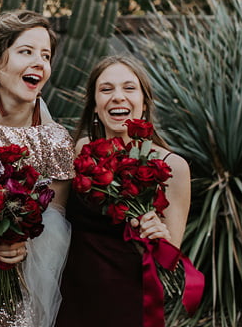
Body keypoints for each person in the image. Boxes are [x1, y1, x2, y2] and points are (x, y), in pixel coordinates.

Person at [0, 10, 75, 327]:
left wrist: (22, 240)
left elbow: (56, 223)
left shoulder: (56, 140)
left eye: (45, 56)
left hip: (18, 289)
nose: (39, 63)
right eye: (26, 51)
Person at [55, 55, 191, 327]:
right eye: (106, 89)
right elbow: (55, 221)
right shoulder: (78, 152)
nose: (118, 96)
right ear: (95, 106)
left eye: (129, 88)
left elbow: (169, 261)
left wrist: (157, 236)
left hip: (128, 302)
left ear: (144, 103)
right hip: (71, 300)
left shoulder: (173, 166)